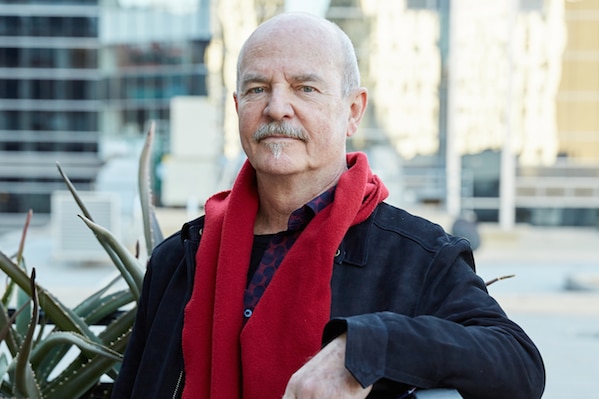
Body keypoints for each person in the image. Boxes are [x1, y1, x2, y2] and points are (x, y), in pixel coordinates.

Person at [111, 12, 545, 399]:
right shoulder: (179, 259)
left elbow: (519, 365)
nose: (277, 108)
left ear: (353, 111)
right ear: (237, 107)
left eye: (306, 88)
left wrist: (366, 348)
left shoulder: (418, 256)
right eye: (258, 88)